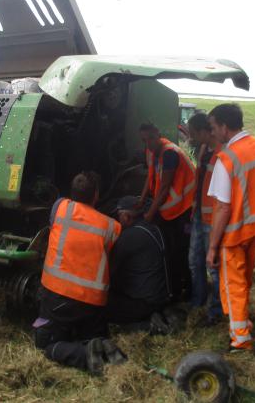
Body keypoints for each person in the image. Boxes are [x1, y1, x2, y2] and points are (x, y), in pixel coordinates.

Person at [35, 171, 123, 374]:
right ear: (96, 196)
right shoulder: (113, 227)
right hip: (91, 305)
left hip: (57, 298)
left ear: (72, 192)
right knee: (90, 334)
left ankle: (84, 355)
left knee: (46, 346)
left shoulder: (60, 208)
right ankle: (98, 344)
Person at [205, 104, 255, 351]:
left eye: (213, 128)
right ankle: (243, 322)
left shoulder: (226, 159)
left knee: (233, 285)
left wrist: (212, 247)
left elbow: (223, 208)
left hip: (234, 234)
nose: (212, 133)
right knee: (244, 282)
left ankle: (241, 338)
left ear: (224, 126)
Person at [138, 123, 196, 301]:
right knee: (171, 248)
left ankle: (188, 289)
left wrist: (149, 214)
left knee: (181, 249)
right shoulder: (151, 151)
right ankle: (176, 286)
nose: (148, 143)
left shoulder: (169, 153)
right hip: (171, 208)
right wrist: (141, 201)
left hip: (185, 207)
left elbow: (164, 188)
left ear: (159, 135)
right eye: (144, 140)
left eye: (151, 139)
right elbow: (150, 177)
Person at [106, 196, 171, 325]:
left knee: (102, 305)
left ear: (126, 217)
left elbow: (110, 270)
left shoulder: (128, 237)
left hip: (144, 302)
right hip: (162, 296)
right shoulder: (154, 228)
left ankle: (147, 326)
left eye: (119, 216)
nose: (118, 219)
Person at [186, 113, 222, 324]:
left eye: (192, 133)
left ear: (203, 132)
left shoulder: (221, 153)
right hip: (199, 214)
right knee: (194, 261)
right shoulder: (203, 149)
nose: (190, 137)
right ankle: (197, 302)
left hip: (213, 217)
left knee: (213, 265)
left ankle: (215, 311)